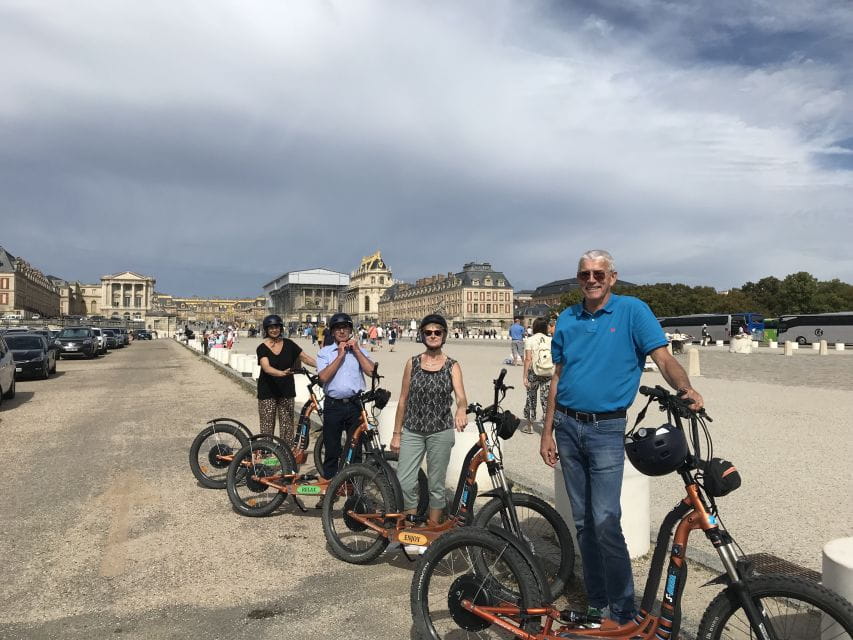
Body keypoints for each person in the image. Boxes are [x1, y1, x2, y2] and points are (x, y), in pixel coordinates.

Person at [540, 249, 704, 626]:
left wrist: (686, 388)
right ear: (578, 279)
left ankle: (625, 609)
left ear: (612, 277)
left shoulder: (632, 311)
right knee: (584, 523)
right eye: (585, 274)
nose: (592, 279)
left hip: (606, 429)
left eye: (599, 273)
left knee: (606, 520)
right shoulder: (567, 318)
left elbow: (663, 358)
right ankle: (597, 603)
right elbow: (558, 377)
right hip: (567, 426)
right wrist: (546, 431)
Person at [390, 314, 468, 526]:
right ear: (422, 335)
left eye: (437, 332)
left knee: (436, 484)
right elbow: (403, 400)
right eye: (428, 332)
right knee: (405, 481)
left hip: (440, 430)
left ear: (444, 335)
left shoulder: (452, 365)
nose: (433, 336)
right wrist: (396, 434)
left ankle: (433, 531)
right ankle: (412, 525)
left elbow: (461, 397)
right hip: (413, 429)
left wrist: (461, 410)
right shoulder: (412, 363)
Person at [316, 313, 376, 502]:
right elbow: (323, 377)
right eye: (338, 328)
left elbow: (371, 371)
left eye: (345, 328)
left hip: (354, 404)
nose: (342, 331)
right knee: (332, 449)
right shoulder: (325, 352)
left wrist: (356, 352)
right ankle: (329, 492)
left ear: (350, 330)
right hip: (333, 405)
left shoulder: (359, 350)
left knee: (356, 450)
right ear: (332, 332)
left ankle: (355, 493)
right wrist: (340, 355)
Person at [256, 314, 317, 443]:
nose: (274, 330)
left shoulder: (289, 344)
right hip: (268, 391)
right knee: (267, 425)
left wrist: (321, 365)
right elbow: (266, 367)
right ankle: (267, 453)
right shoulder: (262, 348)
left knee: (287, 425)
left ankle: (286, 452)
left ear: (281, 328)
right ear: (266, 330)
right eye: (271, 327)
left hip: (286, 390)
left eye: (276, 327)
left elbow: (305, 358)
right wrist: (281, 373)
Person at [521, 317, 552, 434]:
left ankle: (529, 425)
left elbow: (528, 359)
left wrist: (524, 376)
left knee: (531, 397)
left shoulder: (530, 340)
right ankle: (546, 426)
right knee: (546, 399)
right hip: (547, 371)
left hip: (533, 371)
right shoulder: (550, 340)